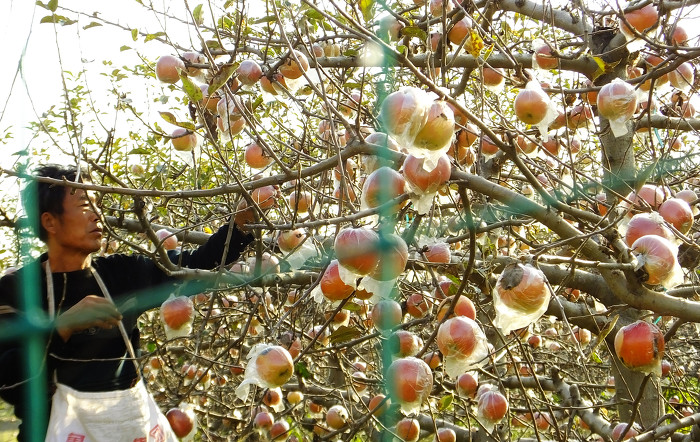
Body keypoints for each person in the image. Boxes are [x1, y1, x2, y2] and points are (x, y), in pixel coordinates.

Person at [0, 164, 255, 440]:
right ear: (50, 221)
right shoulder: (17, 291)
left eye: (97, 204)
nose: (98, 215)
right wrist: (61, 327)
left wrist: (239, 226)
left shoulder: (122, 275)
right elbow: (10, 381)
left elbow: (195, 265)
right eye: (85, 205)